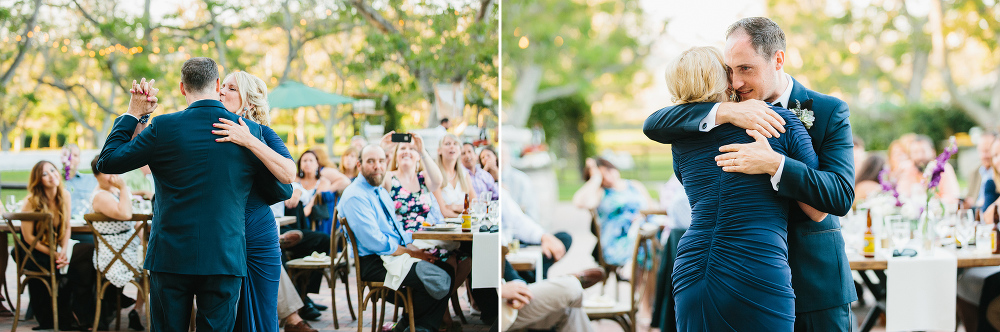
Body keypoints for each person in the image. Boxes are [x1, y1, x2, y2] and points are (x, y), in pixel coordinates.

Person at [643, 17, 856, 331]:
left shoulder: (828, 111)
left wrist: (775, 164)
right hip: (743, 270)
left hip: (816, 285)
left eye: (746, 69)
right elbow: (653, 123)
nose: (737, 83)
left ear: (777, 60)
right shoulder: (718, 116)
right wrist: (725, 111)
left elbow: (839, 194)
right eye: (729, 71)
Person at [97, 58, 289, 330]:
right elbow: (283, 188)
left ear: (182, 88)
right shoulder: (249, 133)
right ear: (218, 85)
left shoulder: (163, 128)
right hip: (224, 256)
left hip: (171, 256)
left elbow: (108, 161)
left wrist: (134, 113)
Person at [212, 70, 298, 332]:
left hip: (257, 233)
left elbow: (288, 174)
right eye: (222, 86)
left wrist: (249, 140)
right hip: (222, 235)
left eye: (231, 88)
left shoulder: (262, 133)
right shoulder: (211, 128)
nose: (222, 91)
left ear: (248, 102)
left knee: (262, 312)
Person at [338, 145, 454, 332]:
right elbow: (375, 242)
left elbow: (397, 229)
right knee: (439, 278)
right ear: (359, 165)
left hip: (392, 255)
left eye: (381, 161)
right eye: (371, 161)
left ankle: (410, 324)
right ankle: (418, 326)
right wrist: (412, 253)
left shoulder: (380, 191)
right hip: (374, 262)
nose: (377, 166)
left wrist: (415, 248)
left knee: (446, 267)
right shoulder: (355, 196)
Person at [18, 161, 99, 329]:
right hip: (35, 251)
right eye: (44, 174)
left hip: (56, 247)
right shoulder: (31, 201)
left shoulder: (65, 195)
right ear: (38, 180)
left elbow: (67, 226)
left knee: (88, 257)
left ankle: (80, 313)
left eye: (53, 170)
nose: (51, 175)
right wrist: (55, 254)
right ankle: (76, 316)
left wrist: (63, 251)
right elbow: (28, 238)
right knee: (85, 257)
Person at [89, 156, 145, 330]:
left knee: (152, 259)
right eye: (107, 172)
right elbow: (126, 215)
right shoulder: (101, 196)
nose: (113, 176)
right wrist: (123, 187)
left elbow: (136, 221)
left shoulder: (116, 191)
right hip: (113, 254)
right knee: (153, 267)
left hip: (129, 248)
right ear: (97, 175)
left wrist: (145, 245)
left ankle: (137, 311)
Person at [571, 157, 657, 267]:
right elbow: (579, 202)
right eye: (602, 176)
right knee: (648, 246)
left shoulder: (635, 185)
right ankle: (637, 276)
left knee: (655, 237)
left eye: (608, 171)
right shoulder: (601, 193)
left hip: (643, 232)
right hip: (618, 242)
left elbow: (651, 208)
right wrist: (595, 178)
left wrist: (640, 217)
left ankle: (644, 278)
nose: (607, 177)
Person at [500, 260, 594, 332]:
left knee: (569, 308)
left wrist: (518, 287)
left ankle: (568, 283)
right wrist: (499, 290)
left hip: (506, 298)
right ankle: (571, 280)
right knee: (571, 287)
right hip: (496, 309)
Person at [502, 188, 572, 281]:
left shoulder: (499, 190)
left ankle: (535, 280)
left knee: (564, 237)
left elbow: (520, 221)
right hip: (502, 252)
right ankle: (536, 283)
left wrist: (544, 237)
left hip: (515, 241)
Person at [380, 132, 443, 232]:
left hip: (426, 237)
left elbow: (438, 181)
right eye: (403, 148)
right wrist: (382, 149)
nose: (406, 151)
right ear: (396, 156)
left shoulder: (423, 177)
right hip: (401, 240)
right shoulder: (389, 177)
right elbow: (372, 182)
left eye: (412, 149)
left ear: (418, 156)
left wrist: (422, 151)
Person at [434, 134, 476, 217]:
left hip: (465, 225)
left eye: (455, 144)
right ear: (439, 150)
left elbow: (475, 204)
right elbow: (444, 212)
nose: (452, 147)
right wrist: (465, 215)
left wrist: (455, 207)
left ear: (460, 150)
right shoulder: (435, 175)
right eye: (447, 144)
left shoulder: (465, 175)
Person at [60, 143, 98, 219]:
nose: (71, 158)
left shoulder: (91, 180)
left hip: (85, 225)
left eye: (75, 155)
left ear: (79, 160)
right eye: (67, 155)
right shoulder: (55, 181)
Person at [966, 132, 997, 210]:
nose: (984, 156)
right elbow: (969, 196)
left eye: (987, 151)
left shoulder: (997, 172)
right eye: (981, 151)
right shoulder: (974, 172)